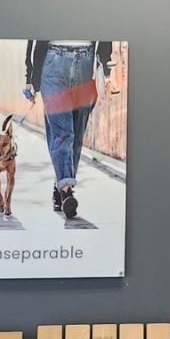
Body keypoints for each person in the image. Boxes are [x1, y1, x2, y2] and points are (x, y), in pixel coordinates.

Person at [25, 40, 116, 219]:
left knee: (76, 134)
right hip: (52, 63)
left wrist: (106, 70)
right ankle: (67, 192)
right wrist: (30, 78)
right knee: (62, 133)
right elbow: (33, 34)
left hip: (86, 63)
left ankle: (61, 182)